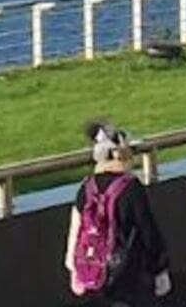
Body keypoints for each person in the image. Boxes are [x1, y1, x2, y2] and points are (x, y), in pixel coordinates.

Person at [64, 122, 172, 305]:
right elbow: (147, 230)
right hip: (125, 273)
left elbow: (76, 229)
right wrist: (159, 268)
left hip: (92, 273)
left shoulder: (87, 187)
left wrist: (74, 267)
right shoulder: (130, 188)